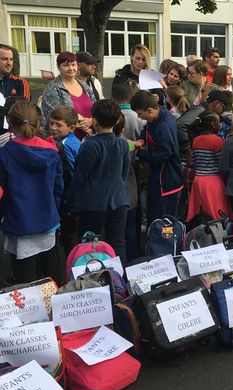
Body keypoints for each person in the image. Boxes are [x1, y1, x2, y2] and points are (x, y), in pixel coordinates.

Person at [0, 100, 62, 283]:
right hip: (48, 222)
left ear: (10, 124)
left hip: (18, 224)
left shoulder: (4, 155)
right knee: (51, 280)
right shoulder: (52, 152)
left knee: (26, 286)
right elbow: (58, 189)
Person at [64, 100, 130, 263]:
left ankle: (90, 280)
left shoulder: (89, 145)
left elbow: (80, 178)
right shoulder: (122, 144)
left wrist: (69, 203)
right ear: (116, 122)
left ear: (93, 120)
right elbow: (124, 172)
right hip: (119, 199)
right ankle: (121, 281)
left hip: (93, 203)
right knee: (118, 244)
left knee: (89, 245)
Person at [131, 91, 183, 224]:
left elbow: (163, 154)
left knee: (160, 221)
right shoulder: (157, 115)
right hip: (159, 176)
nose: (140, 118)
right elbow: (146, 128)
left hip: (165, 181)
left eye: (140, 114)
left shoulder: (164, 127)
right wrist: (142, 140)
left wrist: (140, 154)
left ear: (150, 110)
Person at [112, 82, 144, 261]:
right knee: (131, 225)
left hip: (114, 193)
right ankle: (134, 258)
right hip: (131, 181)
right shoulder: (136, 117)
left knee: (117, 233)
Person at [187, 111, 232, 221]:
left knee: (201, 212)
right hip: (213, 181)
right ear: (213, 124)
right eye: (218, 122)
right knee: (217, 212)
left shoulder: (196, 140)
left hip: (198, 181)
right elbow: (222, 163)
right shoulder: (217, 141)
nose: (220, 125)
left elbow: (193, 162)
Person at [41, 51, 96, 140]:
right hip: (64, 142)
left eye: (73, 65)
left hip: (88, 138)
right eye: (66, 65)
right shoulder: (52, 88)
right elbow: (53, 116)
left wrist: (91, 121)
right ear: (58, 67)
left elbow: (95, 108)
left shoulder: (84, 86)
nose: (71, 68)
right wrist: (85, 127)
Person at [49, 106, 80, 256]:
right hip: (75, 199)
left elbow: (69, 174)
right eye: (52, 123)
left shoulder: (65, 145)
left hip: (69, 200)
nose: (53, 128)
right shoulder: (76, 141)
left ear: (72, 127)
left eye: (58, 125)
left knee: (70, 238)